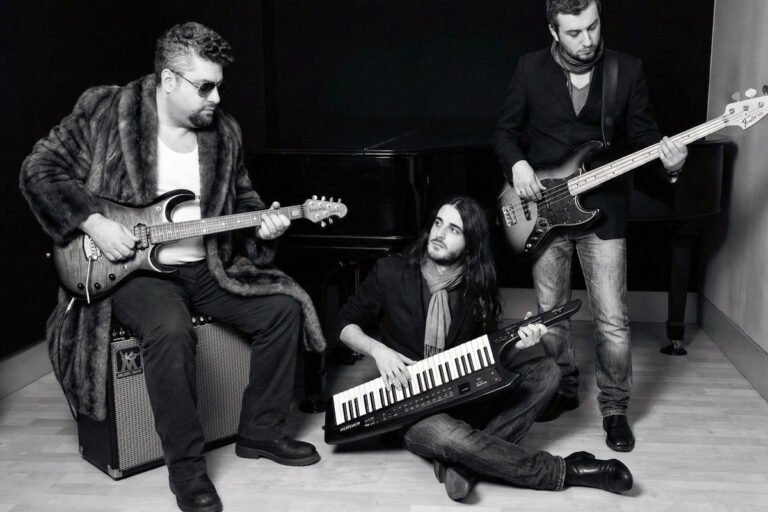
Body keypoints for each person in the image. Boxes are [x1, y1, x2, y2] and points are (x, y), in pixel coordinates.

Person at [20, 22, 326, 512]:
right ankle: (187, 470)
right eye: (205, 86)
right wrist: (95, 223)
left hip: (207, 267)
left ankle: (261, 432)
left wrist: (264, 227)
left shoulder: (224, 132)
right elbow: (38, 170)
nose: (216, 97)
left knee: (283, 311)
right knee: (170, 327)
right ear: (168, 80)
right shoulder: (106, 110)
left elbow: (243, 200)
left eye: (219, 85)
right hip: (133, 273)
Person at [337, 197, 633, 501]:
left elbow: (486, 361)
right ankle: (566, 470)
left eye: (454, 230)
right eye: (438, 223)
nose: (440, 234)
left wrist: (517, 345)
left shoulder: (478, 287)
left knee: (547, 372)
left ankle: (465, 466)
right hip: (412, 408)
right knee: (448, 437)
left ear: (470, 244)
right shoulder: (390, 271)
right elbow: (344, 324)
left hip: (463, 397)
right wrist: (378, 350)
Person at [493, 0, 688, 452]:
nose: (588, 40)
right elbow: (505, 133)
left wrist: (672, 164)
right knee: (551, 314)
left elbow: (645, 138)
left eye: (593, 27)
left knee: (613, 320)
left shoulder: (626, 70)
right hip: (542, 210)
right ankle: (562, 388)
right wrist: (518, 164)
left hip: (604, 211)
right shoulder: (529, 68)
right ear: (553, 31)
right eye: (575, 32)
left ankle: (615, 407)